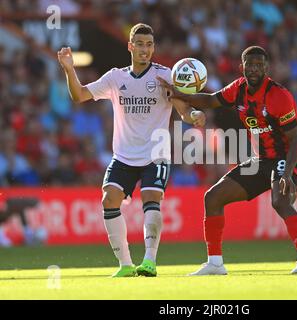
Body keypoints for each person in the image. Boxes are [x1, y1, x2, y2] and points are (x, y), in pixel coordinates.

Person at [57, 23, 205, 277]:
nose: (144, 50)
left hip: (155, 154)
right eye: (140, 44)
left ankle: (149, 261)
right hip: (123, 155)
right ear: (130, 46)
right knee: (109, 200)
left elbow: (183, 110)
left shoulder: (165, 76)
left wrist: (195, 114)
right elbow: (79, 95)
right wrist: (70, 70)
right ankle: (125, 264)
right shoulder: (116, 77)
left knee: (151, 200)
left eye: (149, 45)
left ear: (153, 47)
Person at [158, 46, 297, 275]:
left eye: (259, 65)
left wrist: (287, 174)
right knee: (213, 198)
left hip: (286, 159)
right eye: (249, 64)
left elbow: (295, 140)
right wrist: (178, 93)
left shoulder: (279, 96)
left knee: (280, 201)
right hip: (261, 160)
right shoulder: (239, 89)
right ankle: (215, 263)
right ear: (241, 67)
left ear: (266, 68)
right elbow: (211, 100)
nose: (254, 69)